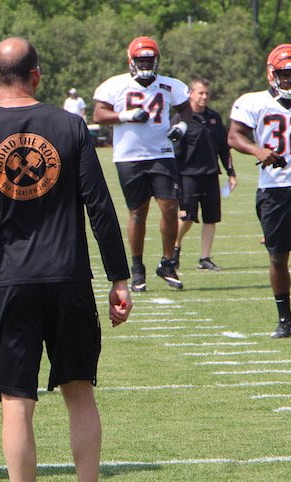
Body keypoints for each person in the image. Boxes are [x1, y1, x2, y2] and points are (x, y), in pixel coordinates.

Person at [0, 37, 131, 482]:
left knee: (17, 403)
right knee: (80, 395)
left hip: (6, 286)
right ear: (36, 75)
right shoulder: (71, 127)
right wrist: (120, 278)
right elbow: (100, 207)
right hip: (69, 280)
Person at [93, 36, 191, 292]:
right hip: (129, 156)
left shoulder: (171, 86)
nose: (146, 63)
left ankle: (167, 263)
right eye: (141, 59)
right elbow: (98, 114)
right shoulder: (115, 85)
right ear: (131, 61)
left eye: (149, 59)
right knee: (138, 212)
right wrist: (124, 115)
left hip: (161, 153)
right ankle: (137, 268)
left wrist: (181, 125)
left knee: (170, 207)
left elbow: (186, 109)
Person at [228, 43, 291, 339]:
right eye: (285, 74)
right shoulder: (253, 101)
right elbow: (234, 136)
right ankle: (284, 318)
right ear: (272, 74)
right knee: (277, 257)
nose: (290, 80)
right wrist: (256, 150)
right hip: (273, 187)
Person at [171, 78, 236, 272]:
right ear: (190, 93)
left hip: (210, 175)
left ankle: (205, 258)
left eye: (207, 93)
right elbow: (173, 153)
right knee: (187, 217)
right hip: (188, 175)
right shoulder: (181, 119)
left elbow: (224, 149)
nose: (204, 96)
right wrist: (175, 181)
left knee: (211, 218)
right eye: (200, 93)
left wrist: (231, 173)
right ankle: (174, 249)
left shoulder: (214, 118)